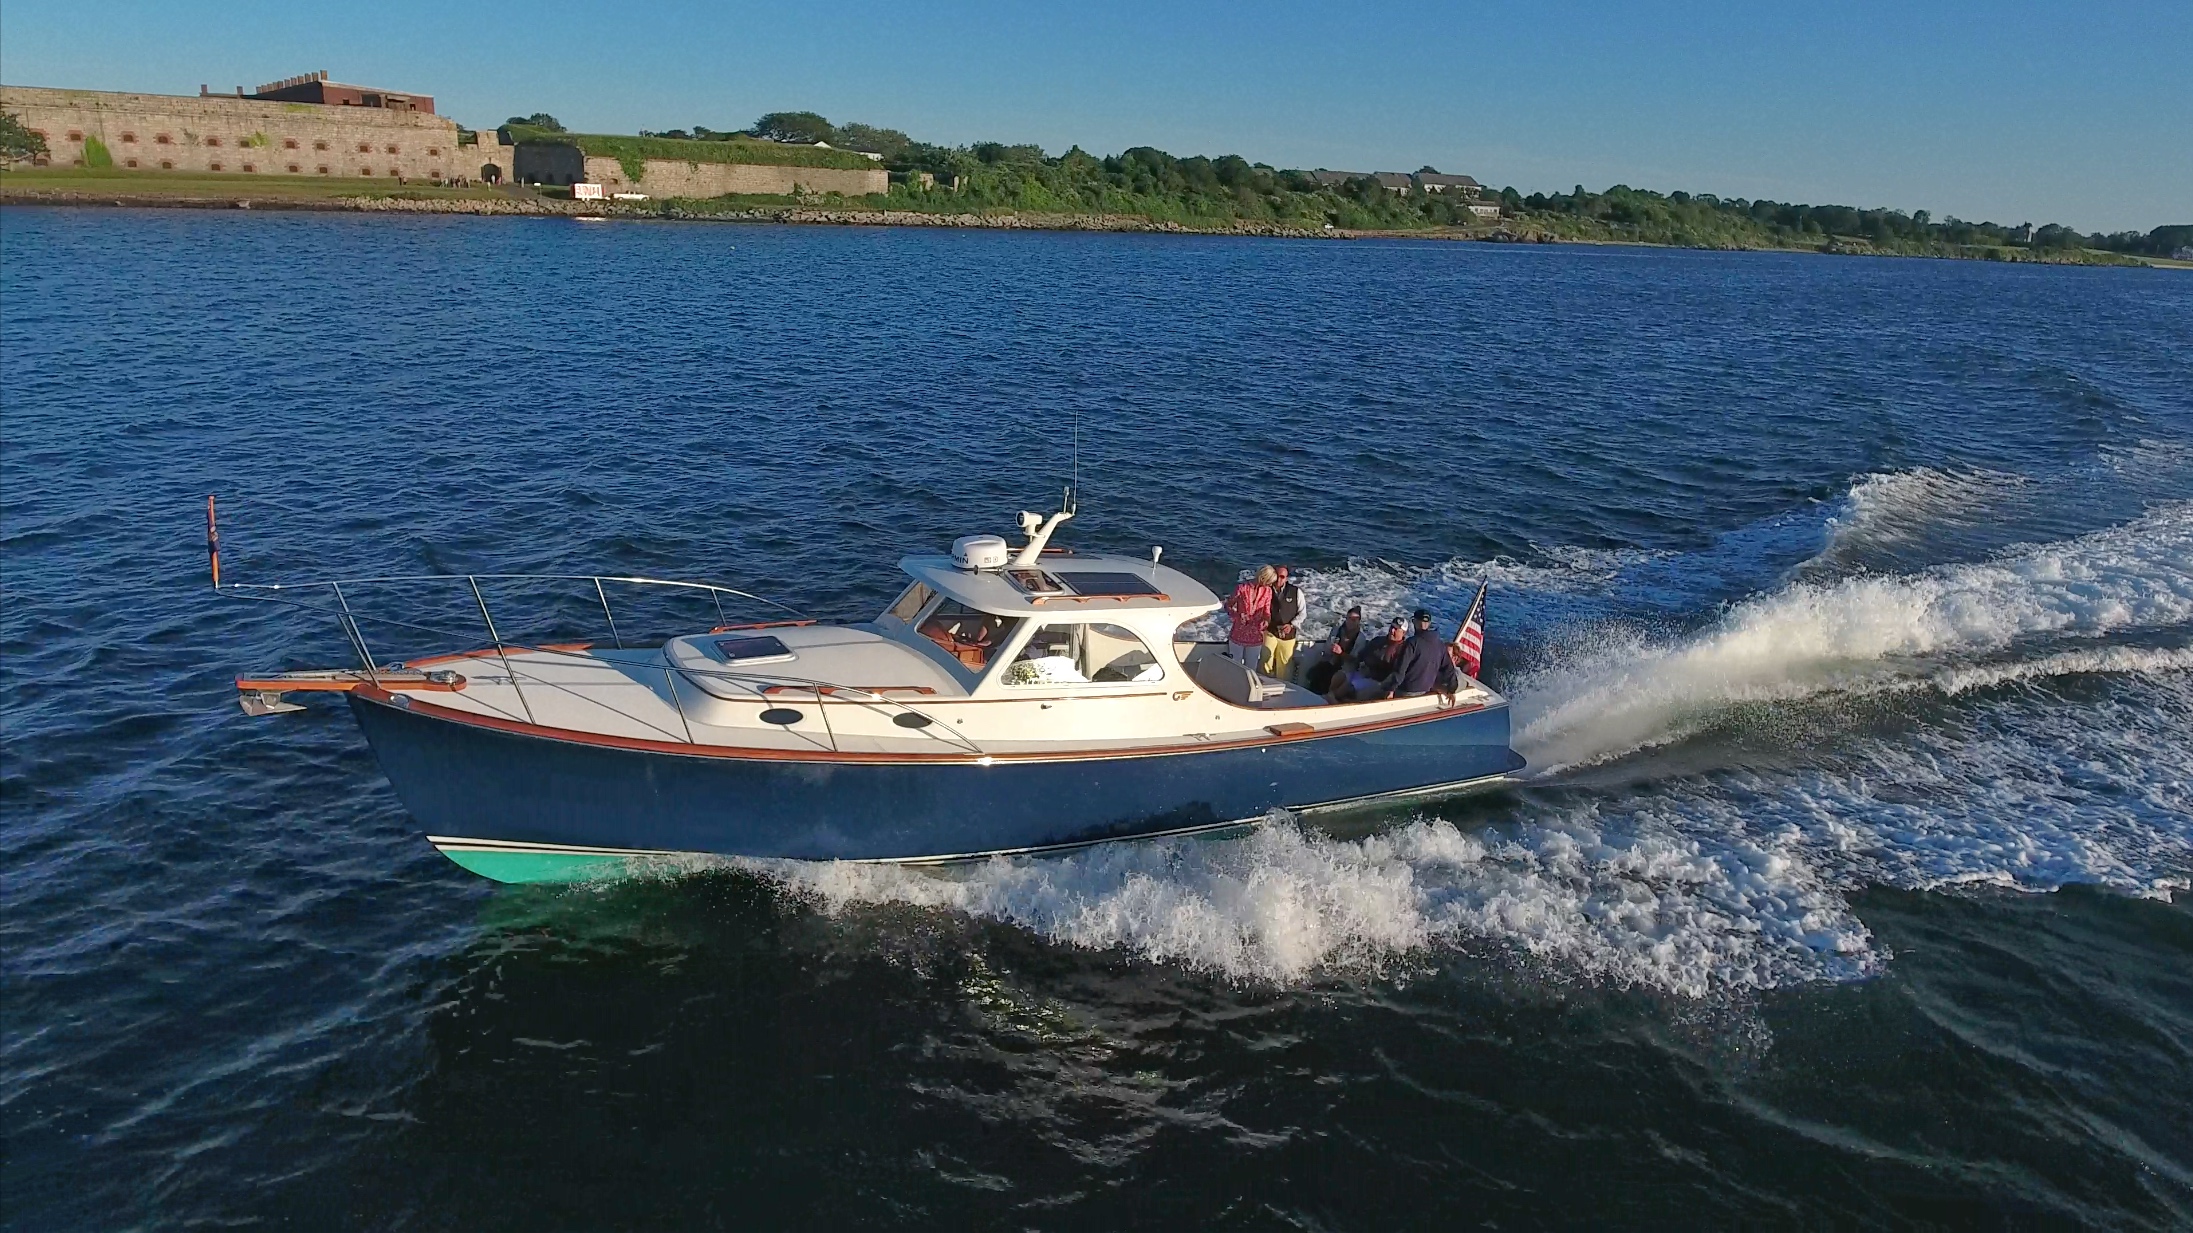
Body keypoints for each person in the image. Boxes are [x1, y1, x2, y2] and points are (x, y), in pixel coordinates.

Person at [1383, 608, 1463, 699]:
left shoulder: (1411, 643)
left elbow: (1400, 671)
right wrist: (1451, 690)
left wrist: (1390, 689)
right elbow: (1449, 670)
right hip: (1425, 690)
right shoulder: (1440, 645)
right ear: (1429, 624)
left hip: (1406, 691)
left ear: (1415, 622)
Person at [1326, 616, 1407, 702]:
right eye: (1391, 627)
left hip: (1378, 681)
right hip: (1363, 673)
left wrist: (1390, 689)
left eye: (1396, 629)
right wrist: (1343, 655)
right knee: (1339, 676)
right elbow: (1360, 656)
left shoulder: (1404, 650)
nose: (1392, 631)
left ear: (1404, 633)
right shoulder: (1378, 640)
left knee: (1347, 687)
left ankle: (1330, 702)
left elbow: (1398, 673)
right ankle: (1327, 697)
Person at [1303, 605, 1363, 696]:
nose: (1350, 622)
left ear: (1359, 621)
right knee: (1315, 673)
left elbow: (1356, 660)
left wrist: (1341, 653)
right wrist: (1331, 649)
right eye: (1348, 618)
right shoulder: (1336, 630)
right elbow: (1326, 648)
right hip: (1331, 661)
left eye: (1354, 620)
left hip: (1346, 668)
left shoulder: (1360, 639)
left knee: (1331, 678)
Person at [1225, 565, 1275, 669]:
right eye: (1269, 581)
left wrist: (1266, 620)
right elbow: (1228, 605)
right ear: (1263, 578)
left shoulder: (1268, 591)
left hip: (1256, 635)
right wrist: (1238, 615)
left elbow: (1267, 611)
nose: (1271, 584)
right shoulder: (1242, 588)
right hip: (1239, 632)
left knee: (1251, 668)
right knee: (1235, 666)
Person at [1262, 565, 1304, 680]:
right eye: (1277, 576)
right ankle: (1265, 682)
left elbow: (1302, 613)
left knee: (1285, 663)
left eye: (1282, 577)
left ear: (1286, 578)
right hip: (1270, 630)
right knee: (1265, 656)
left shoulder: (1296, 592)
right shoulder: (1266, 590)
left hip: (1288, 633)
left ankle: (1283, 685)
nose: (1279, 579)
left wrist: (1291, 625)